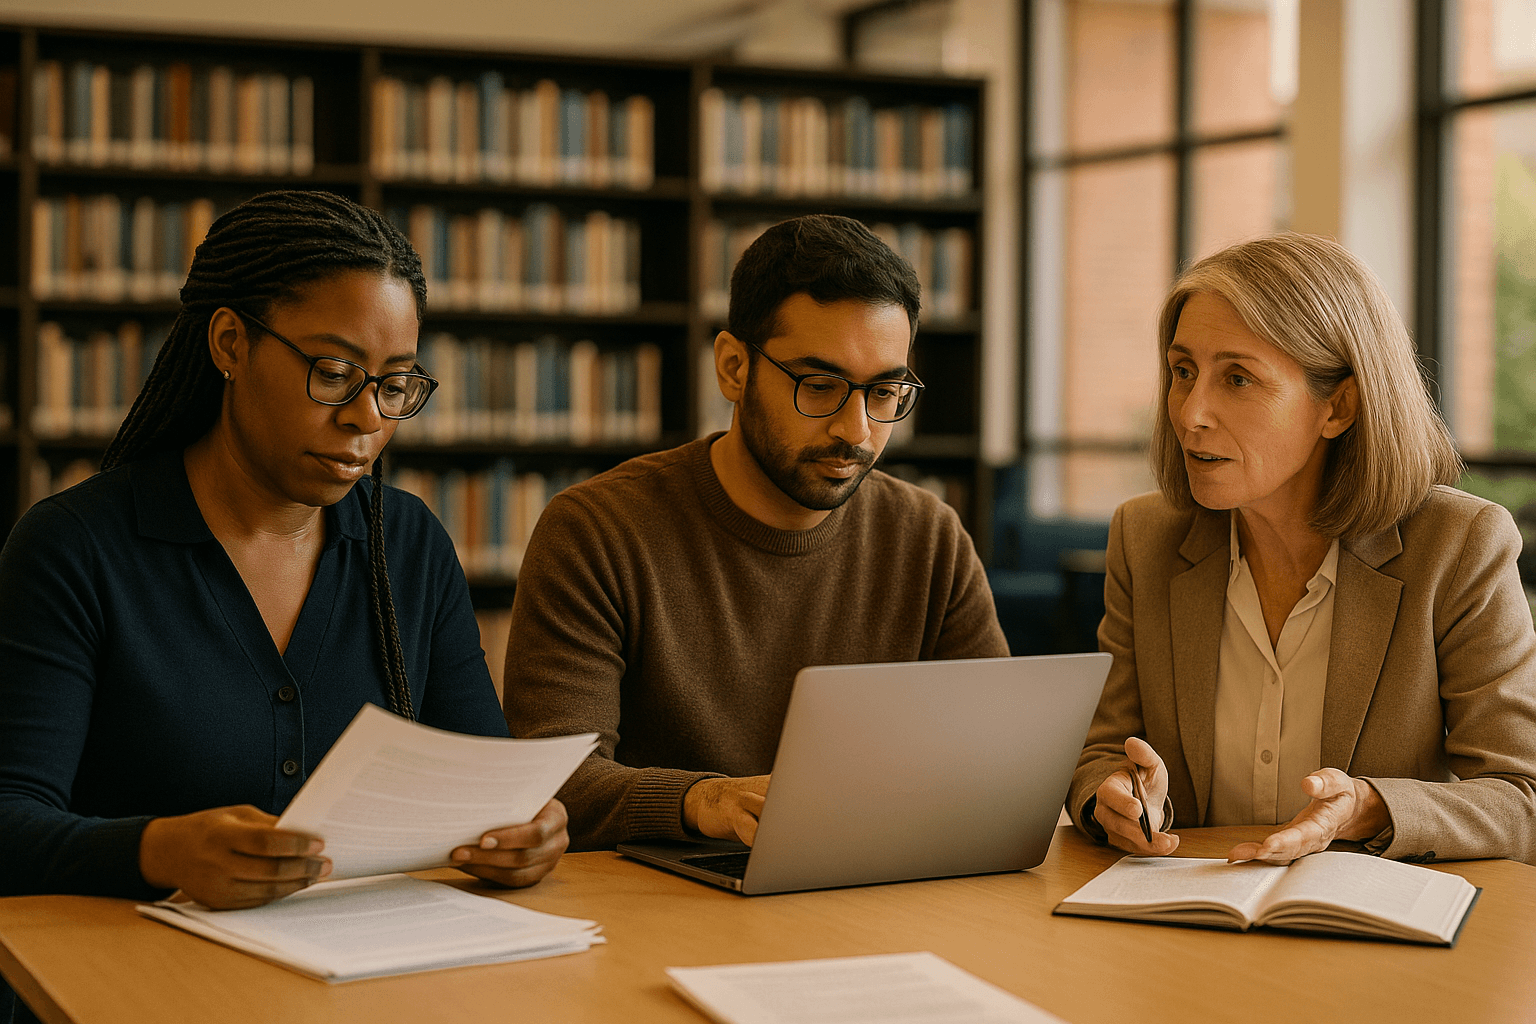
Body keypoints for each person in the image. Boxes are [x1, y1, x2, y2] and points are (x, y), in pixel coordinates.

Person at [0, 191, 569, 914]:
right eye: (333, 372)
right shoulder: (75, 549)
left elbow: (487, 787)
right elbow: (10, 817)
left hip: (365, 971)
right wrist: (157, 850)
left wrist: (526, 831)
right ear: (231, 344)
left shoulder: (409, 543)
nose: (366, 416)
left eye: (394, 384)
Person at [502, 214, 1009, 850]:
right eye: (819, 386)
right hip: (657, 903)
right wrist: (700, 799)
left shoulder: (928, 536)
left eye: (884, 392)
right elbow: (553, 784)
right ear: (734, 368)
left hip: (868, 892)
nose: (856, 430)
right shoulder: (597, 530)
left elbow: (997, 763)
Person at [1069, 232, 1536, 865]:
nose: (1191, 413)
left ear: (1338, 406)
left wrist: (1368, 806)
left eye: (1237, 378)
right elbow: (1101, 752)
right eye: (1184, 372)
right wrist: (1113, 797)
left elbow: (1521, 799)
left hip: (1368, 934)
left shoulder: (1458, 546)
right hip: (1184, 918)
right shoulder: (1144, 538)